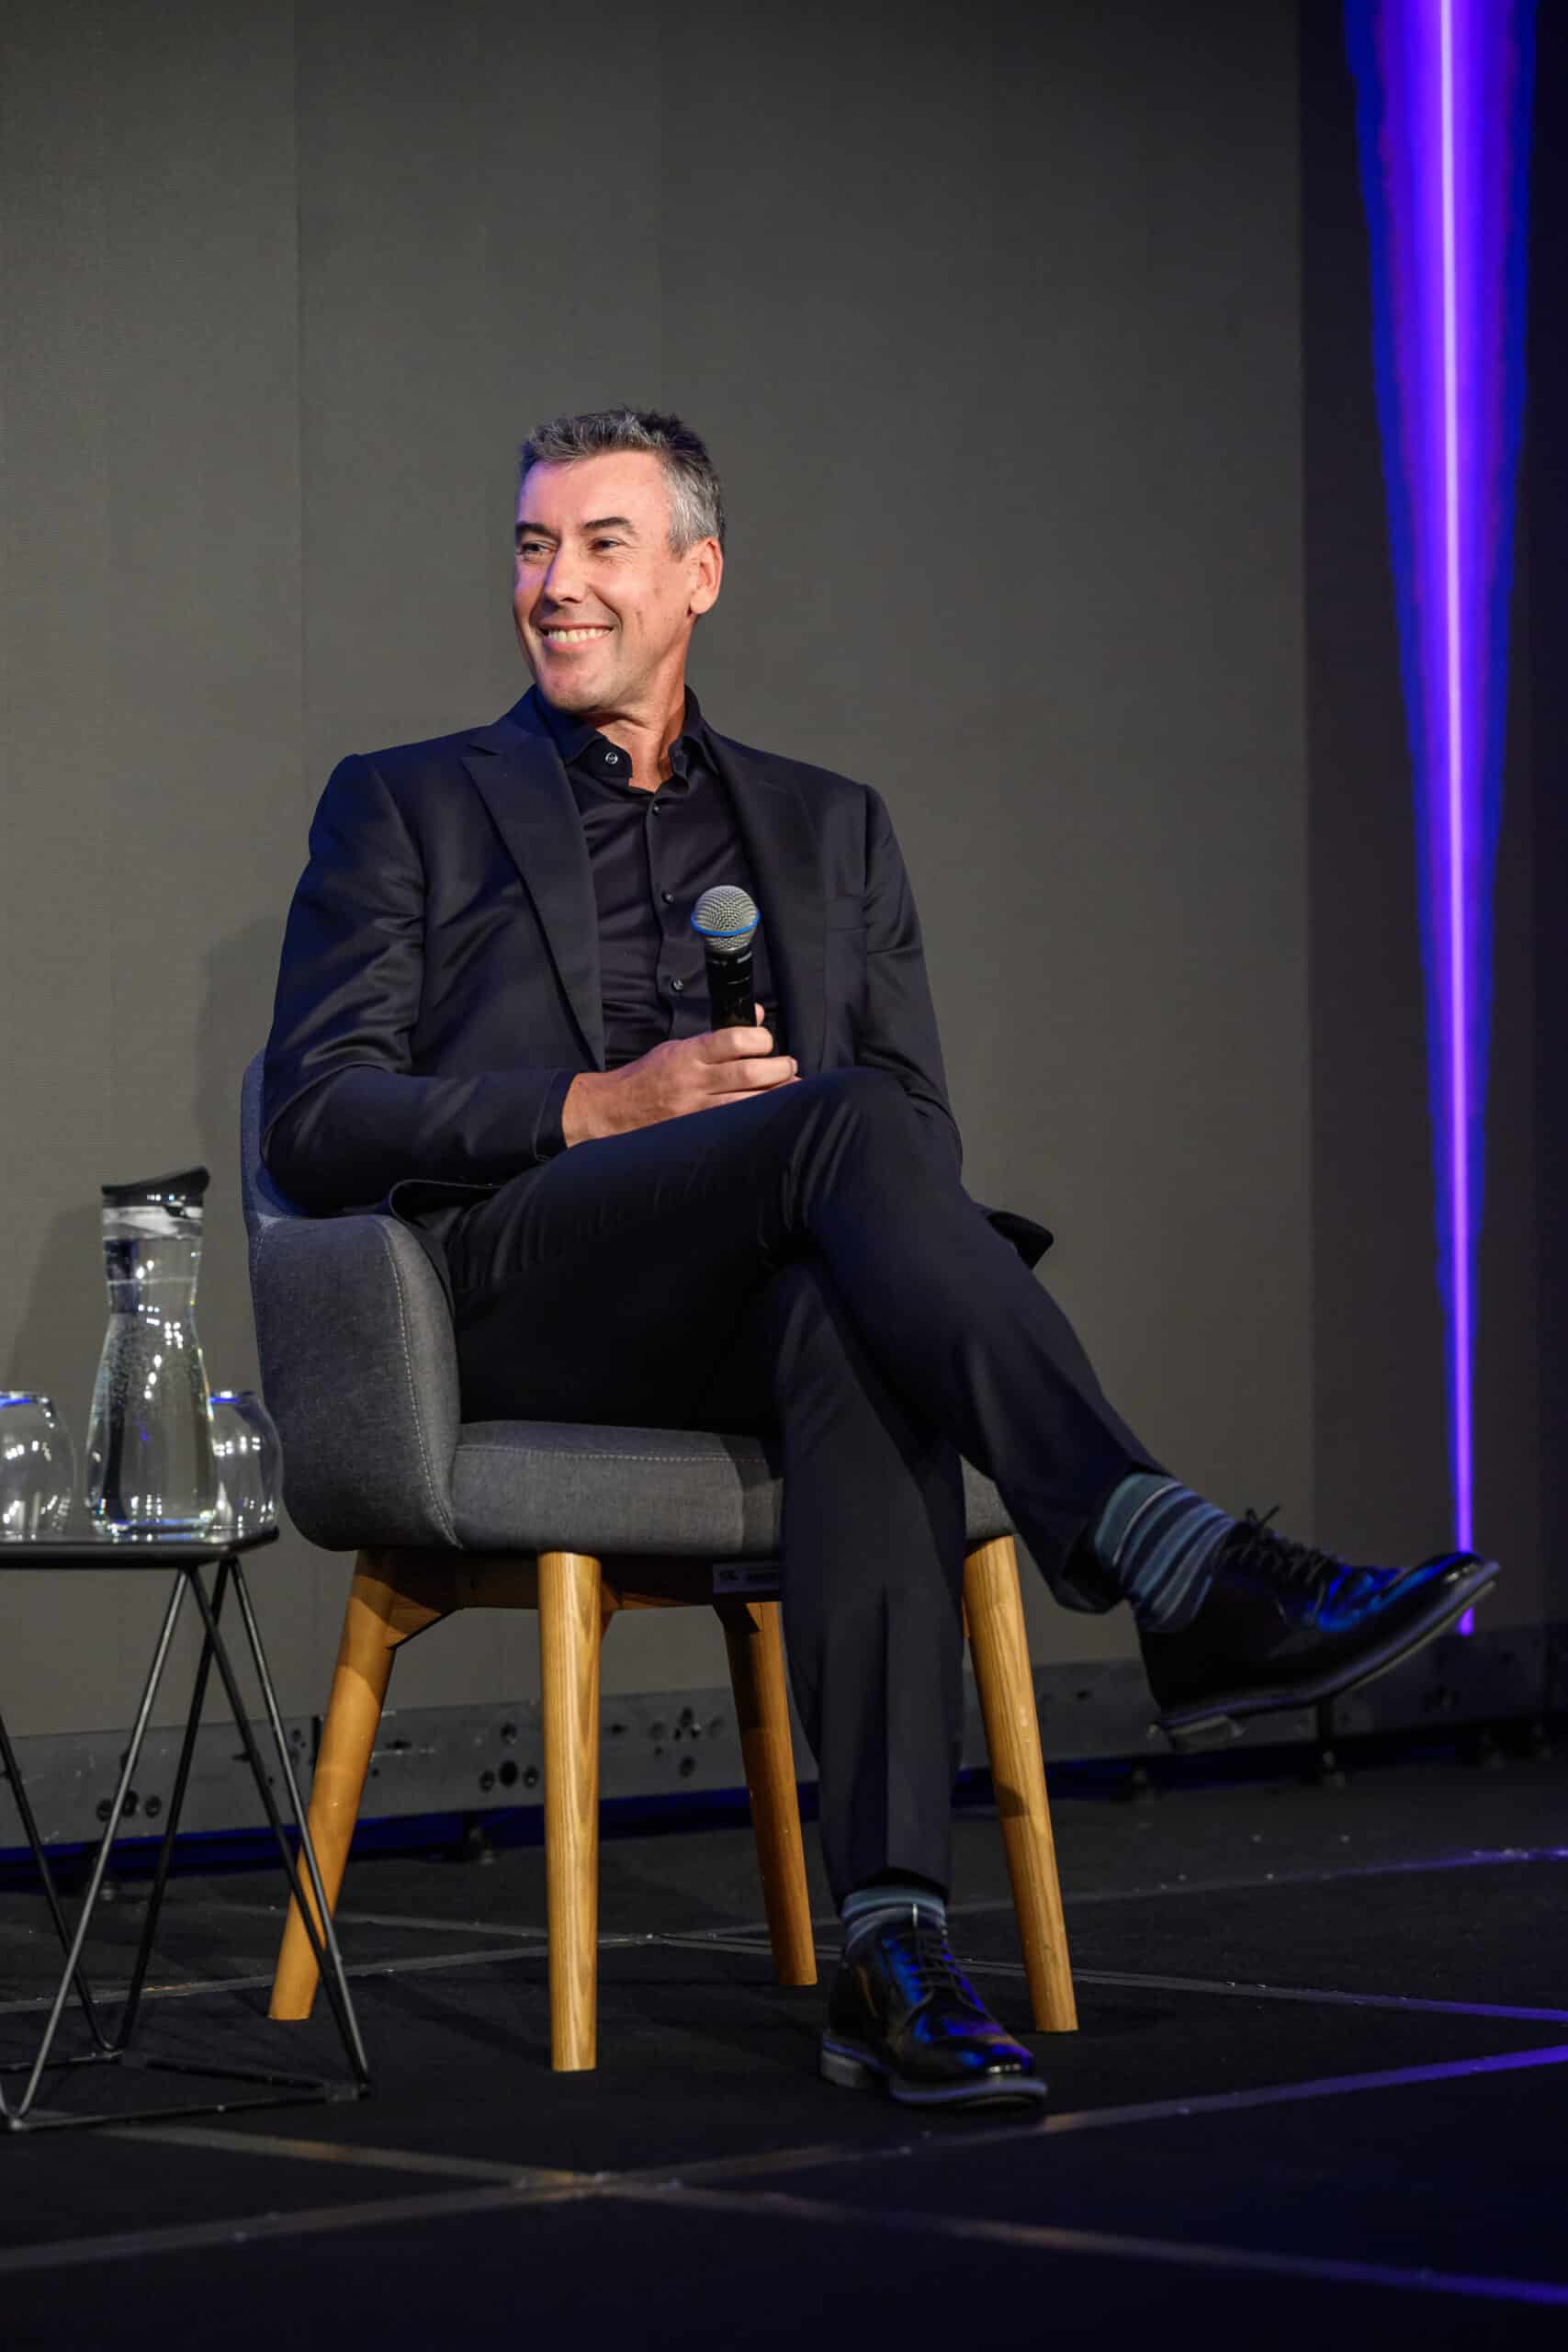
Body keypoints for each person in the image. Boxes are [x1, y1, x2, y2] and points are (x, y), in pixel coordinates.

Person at [263, 407, 1497, 2110]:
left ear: (699, 574)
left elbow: (917, 1125)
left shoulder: (829, 826)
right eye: (535, 547)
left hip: (748, 1290)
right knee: (838, 1128)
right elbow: (313, 1119)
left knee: (855, 1323)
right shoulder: (408, 803)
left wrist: (780, 1147)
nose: (556, 585)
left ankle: (892, 1949)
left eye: (602, 545)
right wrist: (592, 1107)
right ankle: (1172, 1559)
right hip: (523, 1290)